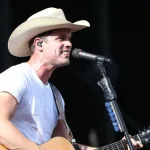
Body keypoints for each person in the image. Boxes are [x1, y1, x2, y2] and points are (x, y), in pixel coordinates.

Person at [0, 7, 143, 150]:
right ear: (39, 43)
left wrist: (122, 147)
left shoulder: (56, 97)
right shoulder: (18, 76)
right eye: (61, 38)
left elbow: (65, 147)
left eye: (69, 39)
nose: (69, 44)